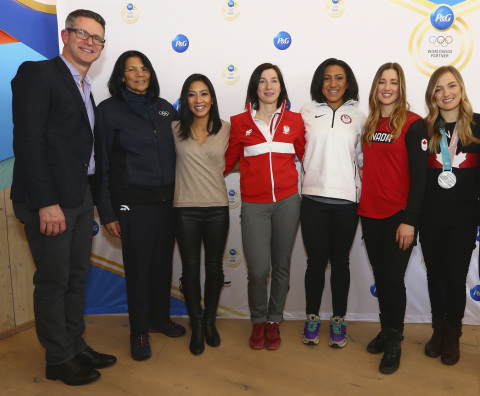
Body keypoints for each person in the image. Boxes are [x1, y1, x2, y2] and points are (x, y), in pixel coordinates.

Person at [10, 9, 116, 386]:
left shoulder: (86, 87)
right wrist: (46, 202)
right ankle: (57, 359)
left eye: (97, 38)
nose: (90, 42)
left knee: (75, 278)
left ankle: (74, 344)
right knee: (54, 282)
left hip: (79, 196)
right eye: (82, 34)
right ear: (65, 35)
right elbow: (28, 142)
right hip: (51, 200)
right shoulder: (38, 74)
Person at [95, 50, 185, 361]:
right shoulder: (108, 111)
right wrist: (107, 211)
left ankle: (159, 318)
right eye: (132, 70)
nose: (139, 74)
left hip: (167, 202)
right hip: (132, 203)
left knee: (162, 265)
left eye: (144, 68)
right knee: (138, 269)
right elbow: (102, 165)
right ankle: (139, 330)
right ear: (121, 75)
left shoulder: (163, 109)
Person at [225, 63, 306, 350]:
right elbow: (225, 162)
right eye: (262, 81)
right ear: (255, 88)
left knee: (281, 266)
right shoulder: (238, 122)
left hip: (287, 202)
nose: (269, 86)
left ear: (281, 87)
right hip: (254, 205)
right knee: (258, 270)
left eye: (274, 81)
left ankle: (274, 321)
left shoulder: (295, 121)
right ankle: (258, 320)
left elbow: (309, 158)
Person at [358, 62, 428, 374]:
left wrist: (410, 219)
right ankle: (386, 330)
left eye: (394, 83)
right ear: (375, 88)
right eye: (382, 82)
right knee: (381, 277)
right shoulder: (370, 124)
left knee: (393, 278)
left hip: (399, 216)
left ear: (401, 89)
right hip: (369, 214)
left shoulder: (414, 124)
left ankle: (395, 339)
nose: (387, 88)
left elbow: (420, 177)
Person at [300, 59, 366, 348]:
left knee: (341, 262)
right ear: (319, 82)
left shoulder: (361, 117)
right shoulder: (306, 113)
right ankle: (312, 317)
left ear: (347, 83)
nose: (333, 84)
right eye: (327, 78)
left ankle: (338, 319)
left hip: (346, 202)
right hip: (312, 199)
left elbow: (363, 161)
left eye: (339, 78)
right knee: (315, 263)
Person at [420, 66, 480, 365]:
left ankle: (453, 334)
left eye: (451, 86)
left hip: (463, 221)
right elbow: (417, 179)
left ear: (461, 89)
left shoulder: (478, 126)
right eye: (439, 88)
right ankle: (438, 329)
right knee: (436, 278)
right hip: (430, 219)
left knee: (455, 280)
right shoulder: (425, 130)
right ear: (432, 95)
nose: (446, 93)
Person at [172, 74, 230, 355]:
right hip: (185, 209)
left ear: (212, 98)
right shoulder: (173, 128)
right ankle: (196, 323)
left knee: (215, 268)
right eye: (192, 94)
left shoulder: (227, 129)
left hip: (218, 208)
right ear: (185, 99)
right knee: (190, 270)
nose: (198, 100)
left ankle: (210, 321)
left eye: (204, 93)